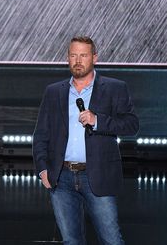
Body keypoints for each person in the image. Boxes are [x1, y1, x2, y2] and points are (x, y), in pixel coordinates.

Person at [32, 36, 139, 245]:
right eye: (73, 55)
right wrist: (43, 169)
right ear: (67, 58)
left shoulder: (114, 88)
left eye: (83, 55)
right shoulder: (54, 92)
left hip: (97, 175)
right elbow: (41, 134)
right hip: (61, 178)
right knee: (71, 241)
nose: (78, 60)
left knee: (111, 240)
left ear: (94, 58)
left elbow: (131, 125)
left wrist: (98, 120)